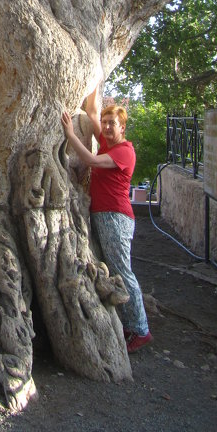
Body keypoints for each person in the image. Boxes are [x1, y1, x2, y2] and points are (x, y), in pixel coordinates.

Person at [61, 87, 153, 353]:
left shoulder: (123, 152)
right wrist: (95, 77)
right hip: (102, 215)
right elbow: (90, 111)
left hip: (116, 217)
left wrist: (69, 134)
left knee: (123, 271)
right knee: (111, 267)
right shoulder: (108, 144)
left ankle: (140, 330)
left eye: (112, 123)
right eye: (105, 123)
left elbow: (89, 159)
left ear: (123, 127)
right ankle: (129, 323)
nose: (107, 127)